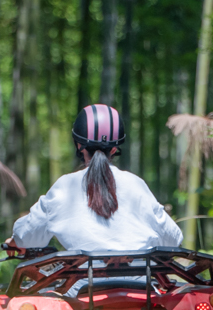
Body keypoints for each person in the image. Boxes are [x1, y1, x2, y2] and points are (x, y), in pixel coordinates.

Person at [9, 103, 183, 253]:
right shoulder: (135, 184)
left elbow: (27, 237)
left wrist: (16, 241)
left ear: (79, 145)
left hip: (84, 286)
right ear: (114, 150)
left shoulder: (65, 186)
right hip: (138, 285)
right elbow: (173, 240)